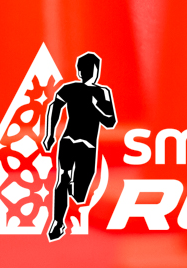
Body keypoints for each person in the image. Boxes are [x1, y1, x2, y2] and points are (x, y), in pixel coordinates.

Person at [42, 52, 116, 241]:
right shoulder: (75, 89)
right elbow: (54, 108)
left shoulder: (100, 92)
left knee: (76, 188)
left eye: (91, 69)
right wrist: (50, 134)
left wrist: (95, 108)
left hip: (80, 144)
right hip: (74, 142)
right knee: (64, 178)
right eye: (87, 69)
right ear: (81, 71)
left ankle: (69, 202)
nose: (89, 73)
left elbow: (110, 121)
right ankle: (58, 221)